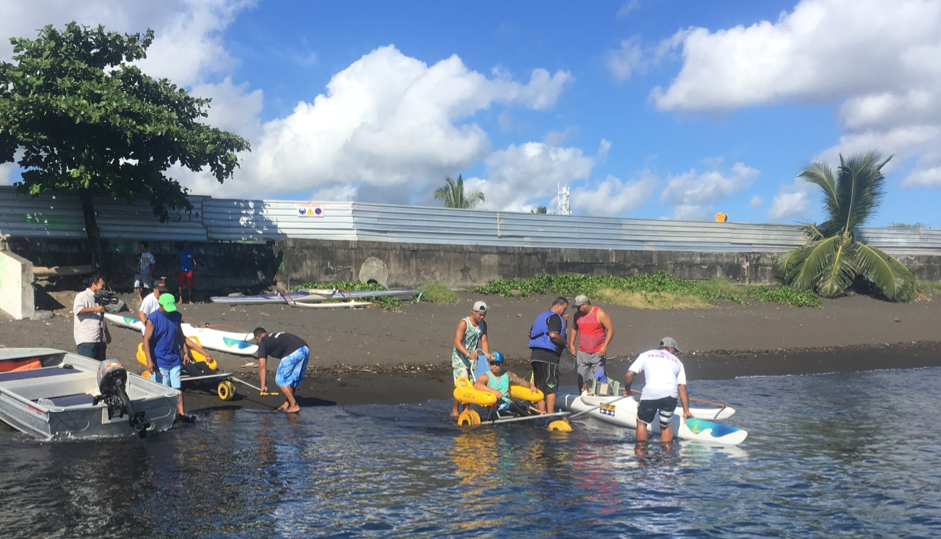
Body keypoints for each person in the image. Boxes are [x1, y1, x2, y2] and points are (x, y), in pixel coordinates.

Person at [143, 294, 213, 419]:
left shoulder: (176, 316)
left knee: (177, 388)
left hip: (174, 358)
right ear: (160, 305)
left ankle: (181, 413)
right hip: (159, 360)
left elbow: (180, 335)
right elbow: (146, 340)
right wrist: (149, 360)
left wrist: (186, 352)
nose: (169, 311)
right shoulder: (153, 319)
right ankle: (162, 414)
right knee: (163, 388)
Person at [622, 337, 693, 444]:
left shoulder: (645, 355)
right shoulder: (678, 362)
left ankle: (641, 451)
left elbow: (629, 375)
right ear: (670, 348)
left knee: (641, 422)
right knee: (665, 426)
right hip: (670, 396)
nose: (675, 353)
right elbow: (682, 388)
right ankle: (667, 453)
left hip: (650, 394)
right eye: (675, 350)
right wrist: (686, 411)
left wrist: (627, 391)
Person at [253, 328, 310, 413]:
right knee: (290, 379)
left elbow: (262, 366)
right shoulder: (272, 337)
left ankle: (294, 405)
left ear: (257, 338)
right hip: (305, 349)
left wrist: (263, 385)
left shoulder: (263, 342)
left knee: (281, 380)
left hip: (294, 351)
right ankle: (287, 404)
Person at [529, 296, 569, 414]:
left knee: (539, 385)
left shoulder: (541, 317)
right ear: (558, 305)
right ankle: (550, 414)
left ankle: (541, 412)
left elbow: (530, 333)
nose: (564, 312)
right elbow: (553, 335)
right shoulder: (555, 317)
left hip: (535, 356)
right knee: (551, 385)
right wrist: (565, 343)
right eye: (564, 309)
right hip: (549, 356)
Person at [451, 301, 490, 418]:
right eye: (480, 314)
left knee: (472, 385)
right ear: (474, 311)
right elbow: (457, 342)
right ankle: (455, 410)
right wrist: (468, 354)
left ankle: (465, 411)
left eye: (484, 315)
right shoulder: (464, 323)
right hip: (460, 358)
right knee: (462, 384)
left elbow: (484, 341)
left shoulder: (483, 325)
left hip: (473, 359)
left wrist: (487, 355)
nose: (482, 317)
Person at [568, 295, 614, 393]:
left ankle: (603, 396)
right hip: (582, 352)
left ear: (585, 304)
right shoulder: (577, 315)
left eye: (579, 307)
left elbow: (610, 330)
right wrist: (571, 344)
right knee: (581, 377)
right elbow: (574, 329)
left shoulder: (599, 313)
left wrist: (604, 346)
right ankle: (582, 394)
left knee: (599, 376)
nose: (577, 309)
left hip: (598, 352)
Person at [72, 274, 111, 360]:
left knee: (100, 366)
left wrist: (107, 333)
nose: (104, 289)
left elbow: (101, 317)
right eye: (102, 286)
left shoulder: (99, 298)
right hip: (87, 339)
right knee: (89, 365)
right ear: (93, 285)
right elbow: (78, 310)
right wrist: (96, 309)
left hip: (100, 340)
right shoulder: (82, 296)